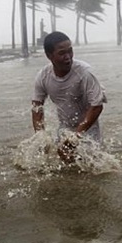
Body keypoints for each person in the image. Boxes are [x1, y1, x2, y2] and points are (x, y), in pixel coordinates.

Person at [31, 31, 106, 164]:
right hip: (65, 127)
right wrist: (40, 136)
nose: (68, 57)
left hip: (88, 127)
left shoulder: (84, 72)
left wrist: (76, 136)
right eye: (62, 53)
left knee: (91, 165)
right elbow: (37, 107)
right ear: (49, 56)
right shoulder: (43, 76)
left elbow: (97, 106)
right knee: (64, 164)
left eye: (70, 51)